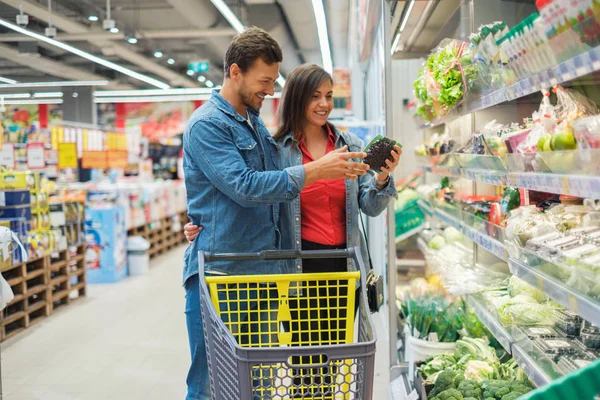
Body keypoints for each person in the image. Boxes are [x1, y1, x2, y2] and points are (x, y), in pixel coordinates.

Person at [185, 63, 402, 398]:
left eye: (329, 96)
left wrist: (383, 180)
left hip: (344, 267)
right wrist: (202, 221)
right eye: (315, 96)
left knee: (340, 357)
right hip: (297, 267)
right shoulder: (277, 151)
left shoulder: (349, 143)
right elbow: (253, 191)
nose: (324, 104)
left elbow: (369, 207)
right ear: (297, 98)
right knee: (306, 363)